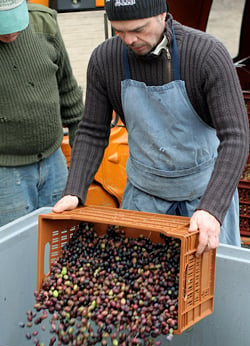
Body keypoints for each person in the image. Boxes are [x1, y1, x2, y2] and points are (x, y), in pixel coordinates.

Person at [53, 0, 249, 255]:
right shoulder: (105, 60)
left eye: (139, 29)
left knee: (214, 283)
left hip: (204, 197)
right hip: (144, 199)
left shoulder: (206, 55)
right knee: (141, 280)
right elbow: (92, 131)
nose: (130, 40)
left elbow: (236, 137)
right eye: (119, 31)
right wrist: (74, 190)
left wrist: (212, 207)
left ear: (162, 14)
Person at [0, 0, 83, 226]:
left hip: (54, 161)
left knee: (62, 241)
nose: (9, 34)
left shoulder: (44, 22)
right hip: (5, 173)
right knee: (14, 251)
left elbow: (68, 90)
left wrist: (81, 163)